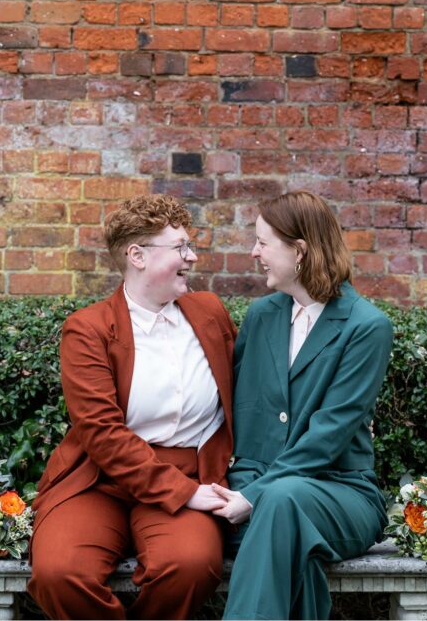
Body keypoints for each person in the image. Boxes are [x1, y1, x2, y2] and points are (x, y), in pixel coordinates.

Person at [27, 194, 236, 620]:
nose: (192, 256)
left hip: (189, 472)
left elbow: (246, 395)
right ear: (137, 255)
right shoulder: (87, 329)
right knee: (59, 573)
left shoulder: (210, 313)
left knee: (191, 565)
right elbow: (101, 433)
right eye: (179, 247)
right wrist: (186, 495)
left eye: (189, 246)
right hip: (99, 479)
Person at [211, 190, 394, 620]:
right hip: (263, 493)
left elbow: (329, 436)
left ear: (299, 250)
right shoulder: (262, 316)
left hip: (341, 493)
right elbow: (240, 415)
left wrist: (252, 496)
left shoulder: (367, 328)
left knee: (281, 501)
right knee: (291, 542)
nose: (254, 252)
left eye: (263, 242)